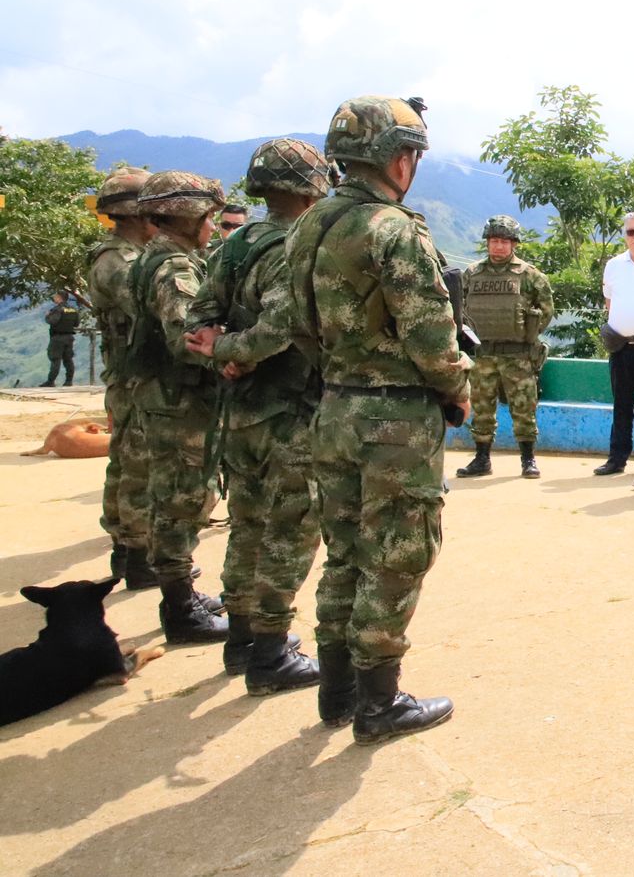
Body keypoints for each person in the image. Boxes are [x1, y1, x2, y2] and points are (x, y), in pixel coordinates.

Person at [288, 94, 469, 744]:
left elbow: (296, 322)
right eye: (411, 154)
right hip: (395, 419)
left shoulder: (307, 226)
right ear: (396, 159)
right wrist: (456, 390)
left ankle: (336, 693)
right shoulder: (394, 229)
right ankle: (380, 704)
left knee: (344, 553)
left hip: (334, 408)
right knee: (396, 553)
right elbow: (430, 332)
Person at [183, 138, 332, 693]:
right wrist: (235, 352)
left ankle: (241, 639)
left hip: (240, 413)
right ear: (312, 185)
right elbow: (280, 328)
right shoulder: (301, 244)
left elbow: (199, 317)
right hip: (291, 412)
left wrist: (221, 352)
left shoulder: (236, 241)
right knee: (289, 530)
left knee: (246, 523)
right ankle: (271, 651)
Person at [126, 171, 230, 645]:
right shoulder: (175, 268)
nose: (213, 225)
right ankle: (180, 608)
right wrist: (235, 351)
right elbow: (189, 338)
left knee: (179, 495)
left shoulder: (161, 259)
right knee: (182, 499)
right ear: (188, 217)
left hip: (166, 397)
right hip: (178, 400)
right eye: (208, 216)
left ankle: (182, 591)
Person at [85, 167, 158, 585]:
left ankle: (126, 548)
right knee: (138, 465)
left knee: (127, 460)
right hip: (134, 378)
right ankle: (137, 554)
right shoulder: (119, 262)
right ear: (134, 215)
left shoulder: (125, 256)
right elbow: (149, 311)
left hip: (128, 374)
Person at [454, 215, 554, 480]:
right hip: (483, 354)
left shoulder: (530, 275)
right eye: (494, 241)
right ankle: (482, 458)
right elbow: (458, 309)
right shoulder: (472, 273)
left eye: (504, 242)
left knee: (524, 408)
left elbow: (546, 309)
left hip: (517, 355)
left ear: (514, 244)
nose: (498, 246)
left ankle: (528, 459)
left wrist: (526, 332)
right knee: (482, 408)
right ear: (488, 242)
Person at [595, 211, 634, 476]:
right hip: (620, 345)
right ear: (625, 235)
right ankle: (616, 459)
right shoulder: (614, 265)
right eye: (631, 231)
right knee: (621, 405)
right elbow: (609, 302)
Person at [41, 291, 82, 387]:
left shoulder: (57, 309)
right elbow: (76, 323)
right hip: (69, 337)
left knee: (55, 359)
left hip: (58, 338)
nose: (54, 298)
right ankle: (69, 381)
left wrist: (47, 316)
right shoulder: (73, 310)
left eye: (55, 296)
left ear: (59, 298)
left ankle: (50, 381)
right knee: (68, 359)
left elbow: (52, 321)